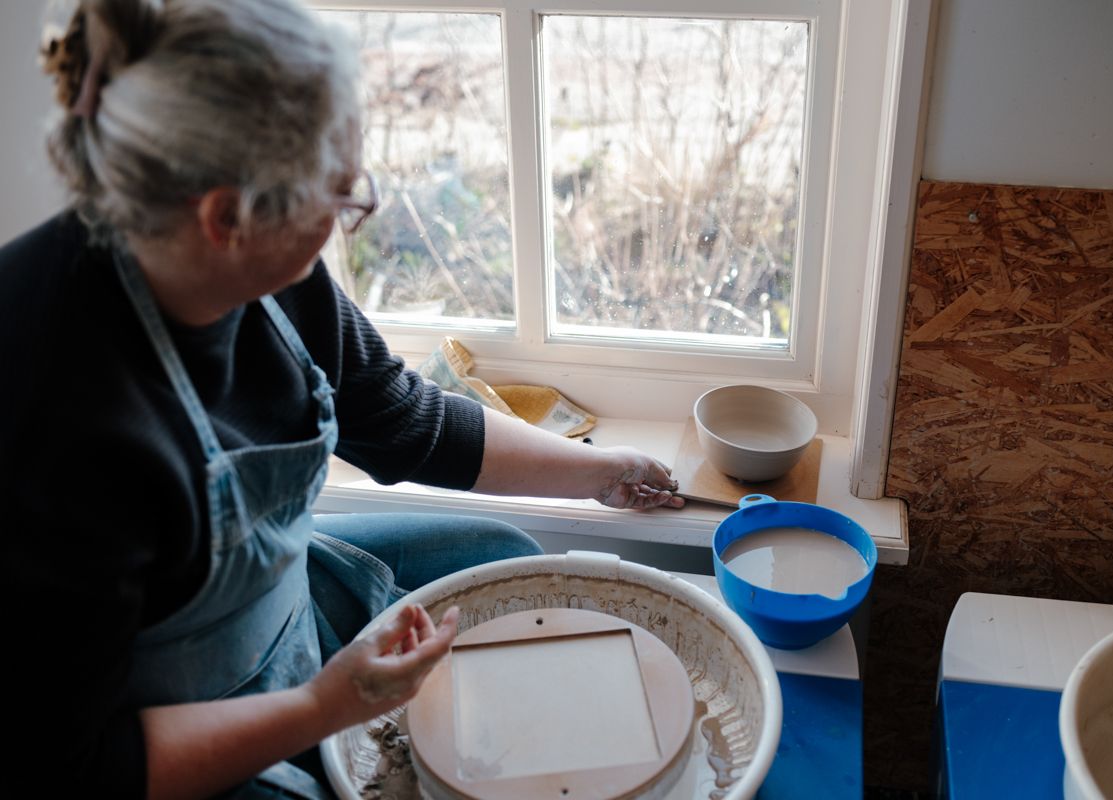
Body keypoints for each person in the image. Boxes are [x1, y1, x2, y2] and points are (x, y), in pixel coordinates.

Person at [0, 1, 683, 798]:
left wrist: (602, 472)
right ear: (227, 217)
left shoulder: (271, 277)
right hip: (159, 737)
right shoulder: (53, 413)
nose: (351, 211)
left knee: (508, 563)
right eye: (340, 195)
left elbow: (401, 419)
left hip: (281, 607)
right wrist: (326, 707)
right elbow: (74, 768)